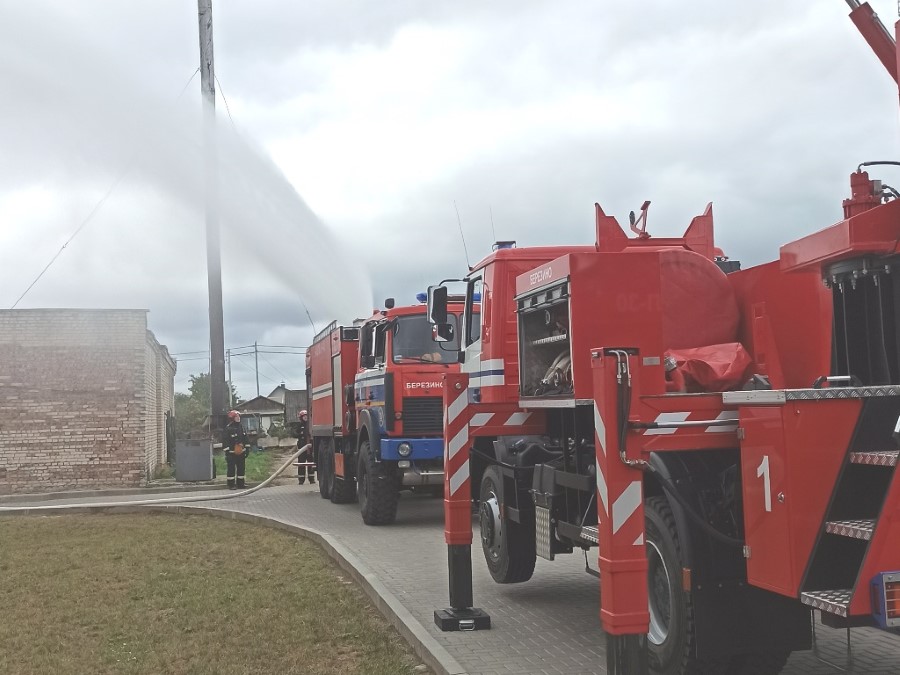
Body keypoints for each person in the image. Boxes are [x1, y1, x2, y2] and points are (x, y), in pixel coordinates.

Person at [223, 410, 249, 489]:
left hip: (241, 452)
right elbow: (225, 440)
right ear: (232, 418)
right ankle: (231, 484)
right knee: (231, 469)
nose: (238, 418)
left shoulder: (242, 427)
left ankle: (241, 484)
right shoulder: (228, 428)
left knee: (241, 468)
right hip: (231, 453)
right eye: (236, 417)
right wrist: (227, 451)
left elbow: (246, 439)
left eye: (239, 416)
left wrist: (247, 449)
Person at [296, 409, 315, 485]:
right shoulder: (299, 426)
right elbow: (294, 434)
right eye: (304, 416)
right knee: (301, 464)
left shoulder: (310, 425)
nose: (306, 417)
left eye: (306, 416)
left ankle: (311, 479)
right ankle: (301, 480)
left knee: (310, 464)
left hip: (310, 448)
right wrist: (300, 434)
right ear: (301, 417)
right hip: (302, 448)